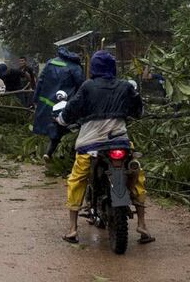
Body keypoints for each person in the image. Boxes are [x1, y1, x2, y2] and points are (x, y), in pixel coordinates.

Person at [57, 51, 154, 245]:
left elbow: (70, 112)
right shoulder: (125, 86)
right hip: (120, 143)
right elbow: (139, 111)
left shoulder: (87, 87)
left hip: (90, 145)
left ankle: (72, 229)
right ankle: (142, 224)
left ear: (93, 68)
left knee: (77, 180)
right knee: (137, 176)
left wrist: (61, 119)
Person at [33, 47, 84, 160]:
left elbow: (40, 81)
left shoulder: (50, 62)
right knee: (65, 128)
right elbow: (81, 87)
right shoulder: (75, 67)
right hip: (66, 103)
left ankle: (46, 150)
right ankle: (59, 153)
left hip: (47, 101)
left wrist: (35, 99)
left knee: (48, 126)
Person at [46, 90, 73, 159]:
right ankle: (66, 155)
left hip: (57, 125)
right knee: (68, 140)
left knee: (54, 141)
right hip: (67, 126)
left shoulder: (54, 106)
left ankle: (48, 154)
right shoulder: (68, 104)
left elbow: (53, 116)